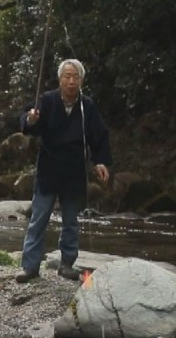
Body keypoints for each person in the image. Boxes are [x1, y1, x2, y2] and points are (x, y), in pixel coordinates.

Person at [16, 58, 111, 282]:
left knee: (71, 221)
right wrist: (30, 119)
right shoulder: (47, 100)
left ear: (81, 81)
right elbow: (29, 123)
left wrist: (100, 162)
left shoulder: (86, 105)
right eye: (67, 77)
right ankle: (30, 267)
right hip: (49, 167)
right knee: (38, 218)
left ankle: (67, 264)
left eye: (75, 77)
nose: (71, 81)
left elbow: (99, 134)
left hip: (74, 168)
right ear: (60, 80)